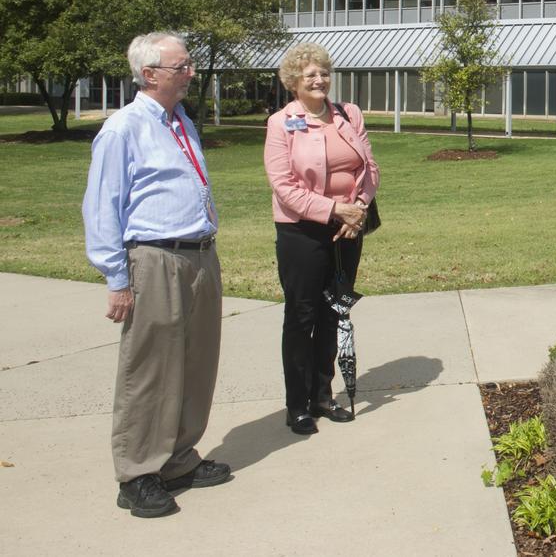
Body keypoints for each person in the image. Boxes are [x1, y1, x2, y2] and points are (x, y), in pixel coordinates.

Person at [82, 32, 230, 518]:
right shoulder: (123, 129)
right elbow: (103, 207)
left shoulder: (180, 120)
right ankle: (138, 472)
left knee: (196, 361)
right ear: (150, 74)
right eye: (181, 66)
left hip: (199, 254)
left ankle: (178, 459)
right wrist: (117, 278)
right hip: (154, 257)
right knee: (150, 369)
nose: (190, 72)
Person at [264, 42, 379, 435]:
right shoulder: (282, 122)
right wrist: (334, 210)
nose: (319, 79)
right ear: (293, 82)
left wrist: (358, 208)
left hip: (349, 228)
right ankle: (297, 404)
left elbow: (370, 169)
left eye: (324, 72)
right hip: (301, 231)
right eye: (310, 74)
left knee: (335, 310)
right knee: (302, 315)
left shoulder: (349, 114)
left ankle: (322, 395)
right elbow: (284, 185)